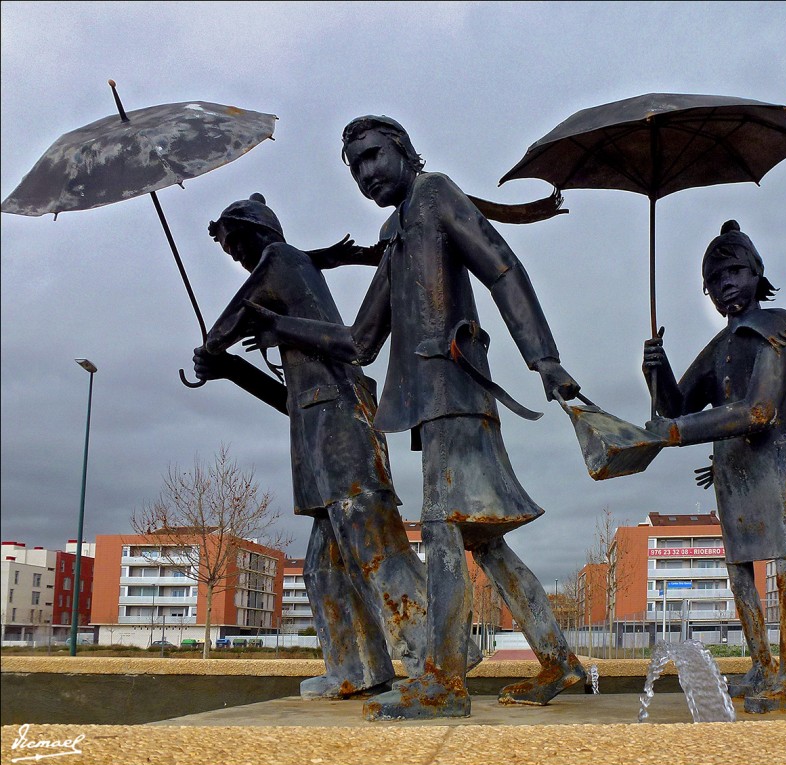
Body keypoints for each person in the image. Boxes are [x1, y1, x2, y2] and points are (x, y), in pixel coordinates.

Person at [241, 115, 585, 721]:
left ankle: (442, 683)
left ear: (403, 150)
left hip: (457, 390)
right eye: (355, 166)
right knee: (486, 541)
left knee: (445, 528)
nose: (366, 172)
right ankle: (559, 660)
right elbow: (359, 340)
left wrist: (544, 359)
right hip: (432, 406)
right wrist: (278, 326)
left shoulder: (436, 195)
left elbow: (502, 266)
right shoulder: (396, 228)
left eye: (373, 156)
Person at [193, 192, 441, 700]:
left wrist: (212, 347)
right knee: (323, 567)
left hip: (342, 431)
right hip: (318, 433)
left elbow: (227, 324)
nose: (237, 257)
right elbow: (288, 400)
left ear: (256, 233)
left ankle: (434, 654)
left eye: (235, 244)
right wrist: (229, 369)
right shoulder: (291, 285)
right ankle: (357, 669)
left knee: (374, 545)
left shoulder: (279, 258)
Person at [642, 220, 786, 713]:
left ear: (757, 271)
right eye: (714, 280)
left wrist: (675, 432)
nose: (725, 284)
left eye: (734, 271)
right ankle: (761, 662)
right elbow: (676, 407)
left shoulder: (775, 327)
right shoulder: (719, 346)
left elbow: (760, 411)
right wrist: (657, 368)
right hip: (732, 465)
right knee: (739, 569)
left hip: (775, 458)